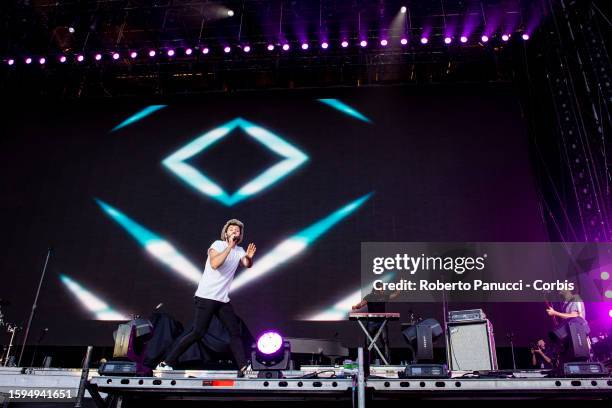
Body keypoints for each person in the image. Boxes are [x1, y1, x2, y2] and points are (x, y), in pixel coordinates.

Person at [157, 219, 256, 376]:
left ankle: (243, 367)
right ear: (226, 233)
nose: (234, 232)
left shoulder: (240, 250)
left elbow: (247, 264)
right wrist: (229, 246)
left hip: (222, 299)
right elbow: (215, 263)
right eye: (231, 230)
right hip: (206, 296)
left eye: (237, 231)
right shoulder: (217, 245)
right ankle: (167, 362)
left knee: (234, 333)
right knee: (198, 332)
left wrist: (249, 258)